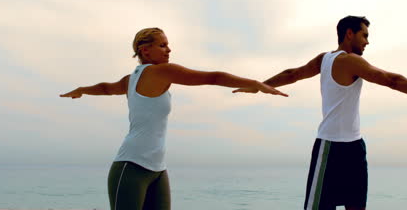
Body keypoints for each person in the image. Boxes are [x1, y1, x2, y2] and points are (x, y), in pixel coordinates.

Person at [233, 16, 407, 210]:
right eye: (364, 35)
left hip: (353, 146)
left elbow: (294, 74)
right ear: (349, 34)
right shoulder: (350, 61)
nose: (367, 41)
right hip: (332, 148)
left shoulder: (323, 59)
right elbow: (392, 80)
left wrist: (261, 84)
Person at [60, 27, 287, 210]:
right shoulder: (159, 71)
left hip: (157, 169)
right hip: (131, 166)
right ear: (145, 51)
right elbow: (213, 77)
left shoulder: (132, 78)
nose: (169, 49)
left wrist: (82, 89)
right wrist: (255, 83)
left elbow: (105, 88)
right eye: (163, 45)